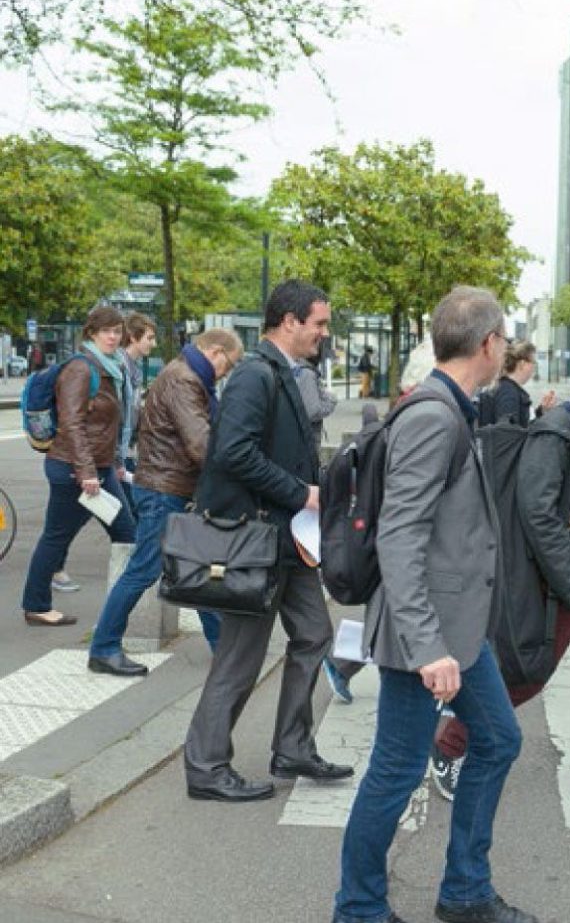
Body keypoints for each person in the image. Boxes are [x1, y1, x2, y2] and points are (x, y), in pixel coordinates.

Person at [334, 286, 537, 923]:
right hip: (428, 636)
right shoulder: (432, 415)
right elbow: (399, 536)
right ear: (489, 343)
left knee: (499, 740)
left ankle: (465, 893)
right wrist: (428, 649)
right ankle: (359, 909)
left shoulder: (452, 406)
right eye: (504, 337)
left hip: (457, 629)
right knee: (395, 771)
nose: (504, 346)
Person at [429, 341, 570, 813]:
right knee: (526, 677)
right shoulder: (558, 432)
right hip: (565, 579)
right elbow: (536, 513)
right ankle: (448, 747)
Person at [183, 280, 351, 803]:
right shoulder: (256, 375)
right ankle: (207, 766)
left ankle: (292, 747)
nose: (324, 333)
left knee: (314, 633)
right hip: (259, 539)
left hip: (285, 542)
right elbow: (233, 453)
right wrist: (303, 493)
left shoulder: (282, 373)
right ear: (289, 322)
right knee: (240, 657)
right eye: (319, 323)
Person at [88, 329, 243, 675]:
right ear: (216, 352)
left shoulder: (185, 375)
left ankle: (223, 648)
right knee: (143, 570)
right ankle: (103, 647)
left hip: (172, 488)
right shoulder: (184, 381)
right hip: (164, 490)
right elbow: (201, 444)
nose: (226, 373)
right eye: (228, 365)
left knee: (196, 568)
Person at [322, 336, 436, 705]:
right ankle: (342, 663)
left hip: (387, 541)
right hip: (398, 543)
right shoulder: (417, 422)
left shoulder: (404, 417)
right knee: (393, 611)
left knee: (389, 610)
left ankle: (343, 664)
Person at [21, 306, 136, 627]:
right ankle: (36, 605)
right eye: (107, 331)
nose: (113, 337)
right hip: (74, 471)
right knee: (56, 537)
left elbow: (107, 425)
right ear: (92, 333)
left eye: (117, 331)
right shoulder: (82, 369)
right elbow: (72, 424)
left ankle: (129, 608)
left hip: (98, 468)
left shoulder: (110, 367)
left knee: (127, 534)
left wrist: (111, 463)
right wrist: (86, 472)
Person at [116, 312, 157, 515]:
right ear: (133, 336)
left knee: (131, 518)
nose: (154, 343)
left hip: (124, 453)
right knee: (134, 518)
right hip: (119, 455)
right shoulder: (120, 368)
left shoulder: (132, 368)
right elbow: (115, 415)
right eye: (149, 338)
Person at [478, 339, 555, 427]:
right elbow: (510, 435)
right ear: (522, 364)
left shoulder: (506, 388)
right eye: (533, 362)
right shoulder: (508, 393)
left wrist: (541, 411)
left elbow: (520, 429)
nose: (534, 367)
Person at [294, 352, 338, 445]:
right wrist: (332, 400)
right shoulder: (307, 374)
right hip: (308, 437)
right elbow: (313, 412)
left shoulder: (299, 369)